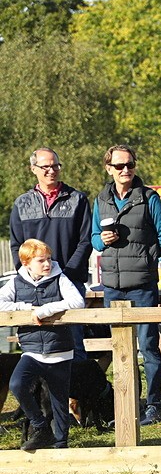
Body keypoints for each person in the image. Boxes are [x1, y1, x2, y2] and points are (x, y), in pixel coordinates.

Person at [91, 145, 161, 425]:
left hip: (142, 284)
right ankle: (126, 405)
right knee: (119, 349)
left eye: (129, 164)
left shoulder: (149, 198)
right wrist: (102, 241)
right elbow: (93, 238)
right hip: (112, 287)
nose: (125, 170)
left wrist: (145, 259)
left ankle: (154, 405)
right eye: (119, 166)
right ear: (109, 168)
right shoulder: (100, 199)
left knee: (148, 347)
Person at [0, 240, 86, 450]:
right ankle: (41, 427)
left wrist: (44, 310)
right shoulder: (15, 282)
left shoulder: (60, 278)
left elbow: (77, 301)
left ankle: (61, 444)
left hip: (60, 350)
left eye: (49, 259)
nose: (47, 264)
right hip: (31, 351)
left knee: (58, 400)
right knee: (17, 384)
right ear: (26, 262)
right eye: (41, 260)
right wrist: (26, 308)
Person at [10, 148, 93, 361]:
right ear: (33, 169)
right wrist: (28, 277)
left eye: (55, 165)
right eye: (45, 166)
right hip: (35, 287)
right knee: (36, 347)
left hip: (70, 283)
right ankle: (43, 394)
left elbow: (85, 241)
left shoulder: (78, 199)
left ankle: (77, 394)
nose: (51, 170)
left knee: (74, 346)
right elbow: (16, 245)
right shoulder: (22, 203)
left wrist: (66, 274)